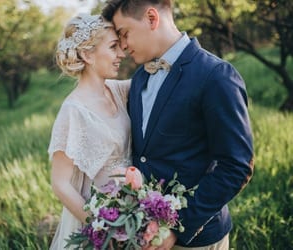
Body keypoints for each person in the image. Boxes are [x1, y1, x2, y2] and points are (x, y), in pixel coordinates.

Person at [102, 1, 254, 249]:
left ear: (152, 18)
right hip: (145, 235)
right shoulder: (140, 78)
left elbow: (236, 166)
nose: (123, 45)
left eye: (124, 33)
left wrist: (176, 228)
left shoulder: (215, 75)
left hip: (197, 238)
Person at [47, 14, 131, 249]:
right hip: (100, 225)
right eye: (113, 47)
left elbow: (155, 82)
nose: (121, 54)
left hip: (134, 214)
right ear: (87, 55)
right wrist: (102, 227)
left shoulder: (118, 91)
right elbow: (60, 184)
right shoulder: (73, 111)